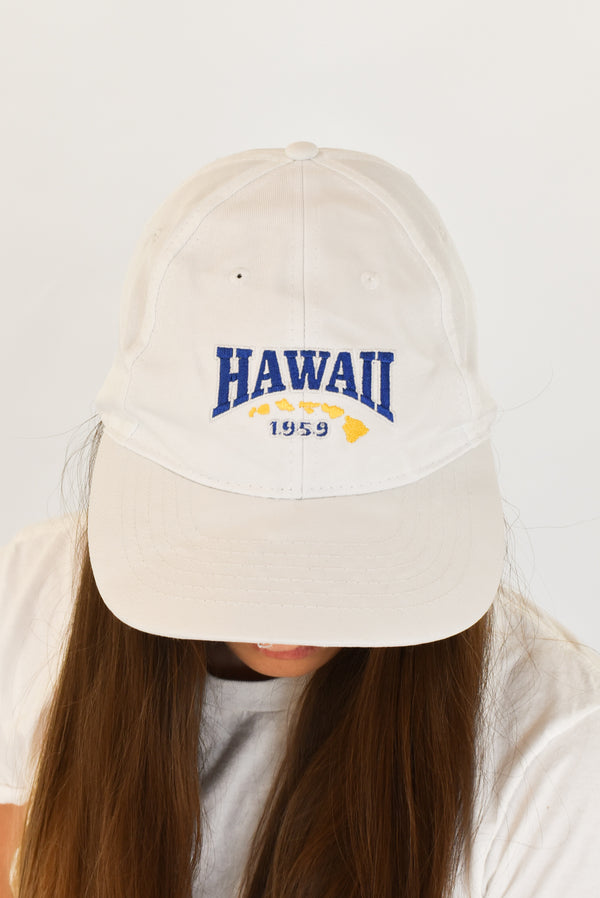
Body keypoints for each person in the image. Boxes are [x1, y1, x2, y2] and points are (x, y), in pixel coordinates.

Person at [1, 141, 598, 898]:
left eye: (348, 539)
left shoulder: (556, 749)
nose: (287, 607)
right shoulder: (33, 603)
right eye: (232, 522)